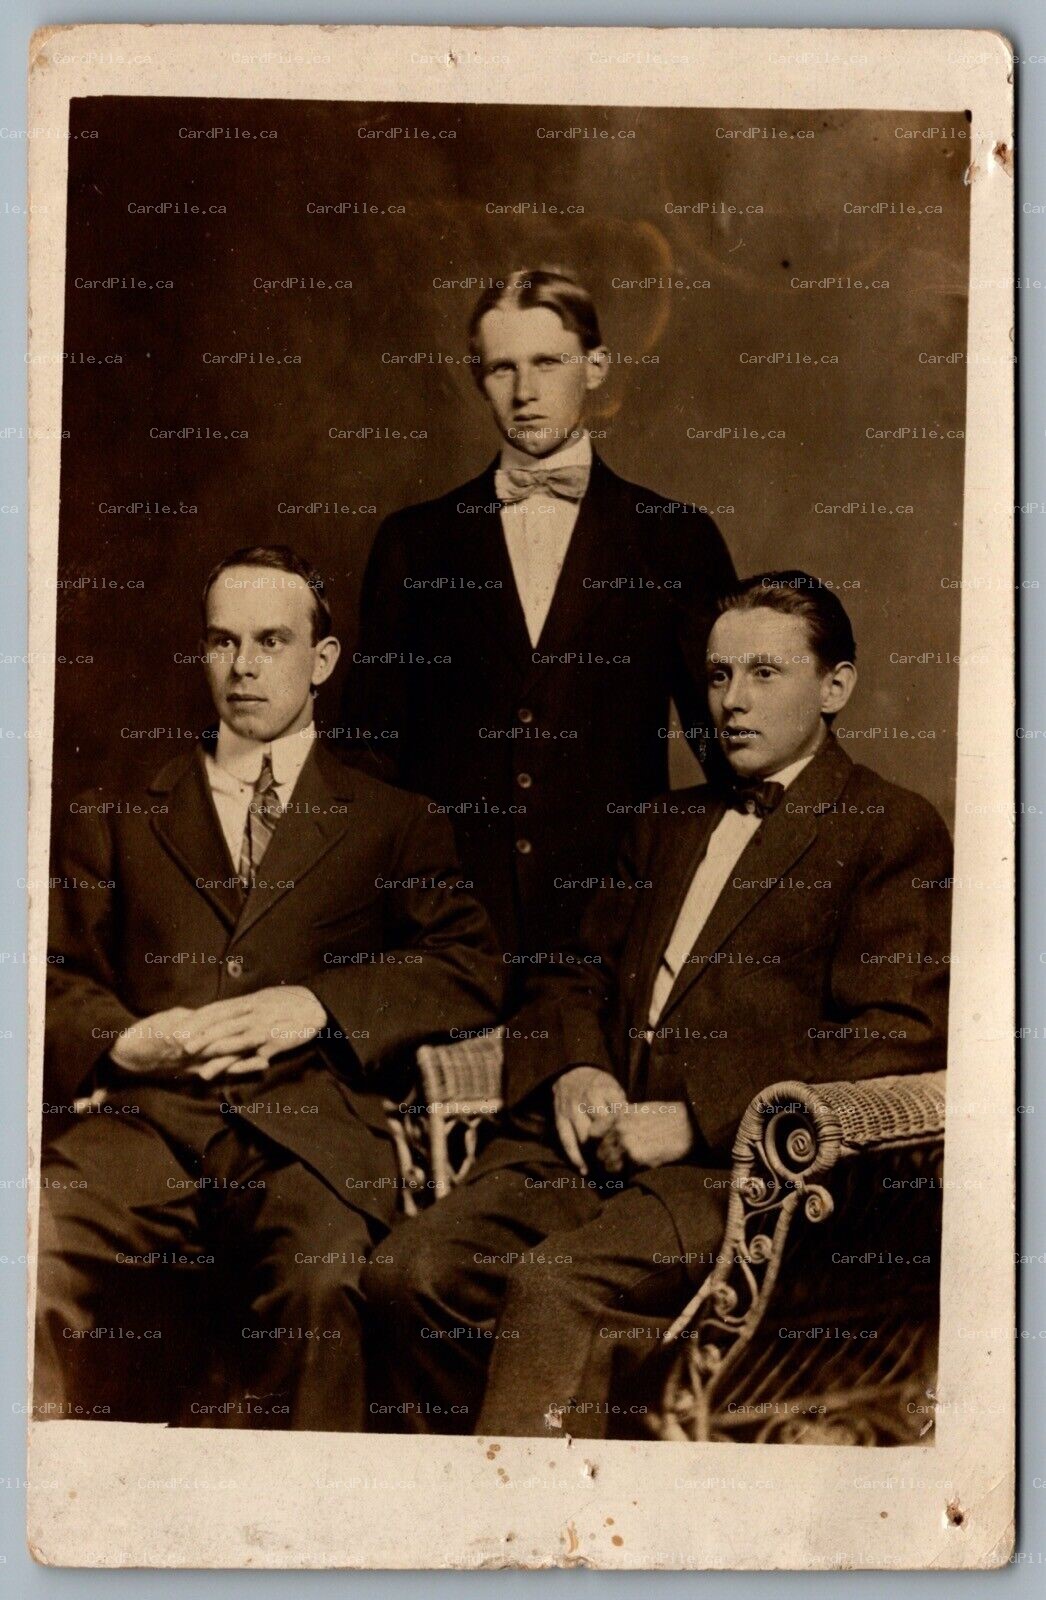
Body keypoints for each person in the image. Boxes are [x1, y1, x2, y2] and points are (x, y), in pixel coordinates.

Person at [361, 571, 952, 1437]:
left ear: (836, 686)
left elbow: (896, 1037)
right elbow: (568, 974)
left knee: (554, 1286)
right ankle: (474, 1496)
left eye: (763, 673)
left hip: (735, 1180)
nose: (732, 702)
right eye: (717, 677)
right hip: (584, 1155)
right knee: (406, 1271)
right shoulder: (663, 823)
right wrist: (575, 1066)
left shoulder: (889, 827)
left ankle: (529, 1542)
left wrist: (696, 1118)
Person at [36, 544, 503, 1431]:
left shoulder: (393, 819)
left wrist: (322, 1006)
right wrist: (127, 1041)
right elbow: (51, 976)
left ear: (322, 661)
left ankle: (303, 1548)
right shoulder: (120, 808)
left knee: (324, 1284)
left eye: (272, 641)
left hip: (310, 1140)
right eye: (221, 642)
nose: (243, 667)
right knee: (29, 1249)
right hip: (148, 1123)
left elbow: (466, 967)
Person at [340, 265, 736, 964]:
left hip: (617, 929)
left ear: (595, 366)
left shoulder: (677, 538)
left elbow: (726, 747)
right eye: (502, 369)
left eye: (548, 363)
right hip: (446, 935)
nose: (525, 393)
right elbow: (371, 758)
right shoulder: (414, 542)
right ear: (477, 378)